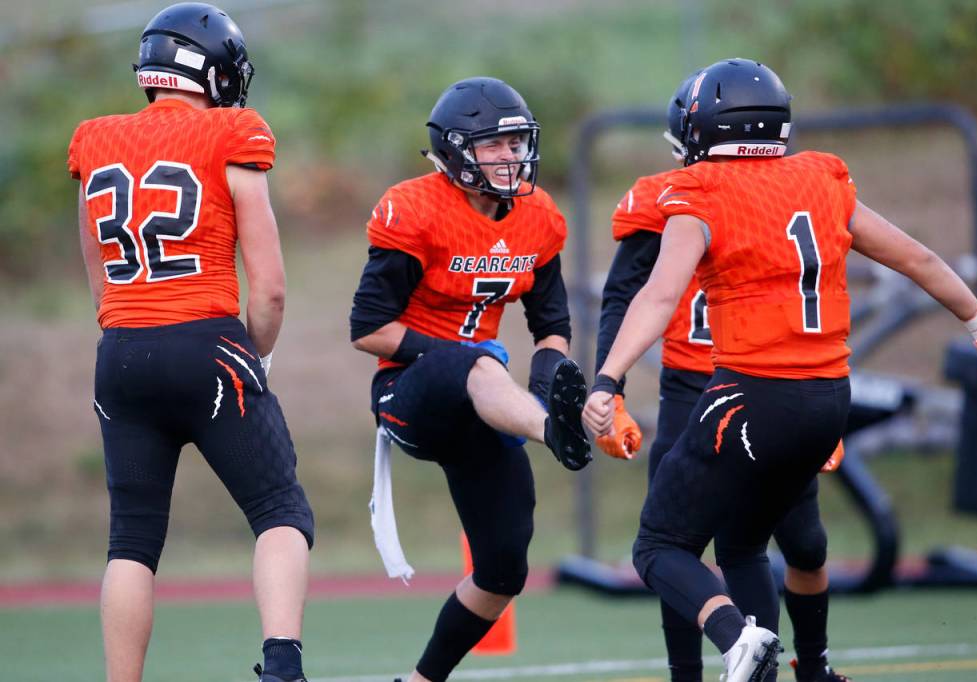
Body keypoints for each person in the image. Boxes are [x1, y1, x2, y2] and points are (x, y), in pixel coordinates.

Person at [583, 58, 977, 682]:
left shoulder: (700, 190)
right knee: (746, 545)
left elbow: (655, 295)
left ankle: (738, 640)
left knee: (658, 545)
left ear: (703, 129)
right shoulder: (821, 178)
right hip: (826, 400)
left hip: (745, 397)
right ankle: (788, 667)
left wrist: (608, 380)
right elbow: (917, 258)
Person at [68, 4, 314, 681]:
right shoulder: (232, 131)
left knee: (132, 541)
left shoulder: (93, 141)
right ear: (208, 69)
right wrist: (254, 356)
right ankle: (282, 665)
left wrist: (133, 333)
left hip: (121, 349)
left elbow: (98, 278)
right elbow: (268, 289)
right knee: (279, 510)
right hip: (207, 342)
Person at [594, 73, 850, 682]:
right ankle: (693, 673)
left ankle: (805, 669)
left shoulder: (796, 188)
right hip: (695, 381)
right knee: (686, 542)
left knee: (799, 542)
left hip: (769, 380)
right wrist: (616, 384)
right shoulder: (670, 194)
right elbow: (626, 297)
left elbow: (812, 297)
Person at [349, 76, 590, 682]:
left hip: (488, 401)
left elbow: (552, 322)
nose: (512, 156)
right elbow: (369, 328)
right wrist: (476, 361)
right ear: (456, 152)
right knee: (476, 356)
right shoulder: (417, 208)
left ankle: (422, 679)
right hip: (410, 394)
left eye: (517, 144)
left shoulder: (535, 217)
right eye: (496, 145)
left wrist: (547, 377)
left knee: (504, 568)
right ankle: (553, 431)